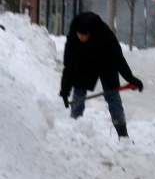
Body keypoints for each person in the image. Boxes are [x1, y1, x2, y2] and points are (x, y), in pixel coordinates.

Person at [60, 11, 144, 139]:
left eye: (84, 35)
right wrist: (65, 91)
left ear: (90, 33)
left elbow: (118, 59)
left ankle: (123, 133)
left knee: (113, 96)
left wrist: (130, 78)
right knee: (78, 94)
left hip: (106, 63)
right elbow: (69, 66)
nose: (81, 37)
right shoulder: (73, 38)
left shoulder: (105, 35)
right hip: (85, 63)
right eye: (79, 34)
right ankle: (74, 128)